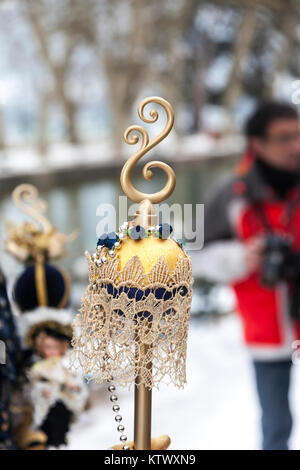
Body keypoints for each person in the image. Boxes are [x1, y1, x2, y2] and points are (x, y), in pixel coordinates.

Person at [193, 102, 300, 450]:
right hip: (266, 329)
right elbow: (195, 254)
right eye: (284, 138)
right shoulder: (231, 195)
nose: (295, 146)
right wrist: (243, 256)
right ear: (257, 143)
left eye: (299, 135)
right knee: (276, 425)